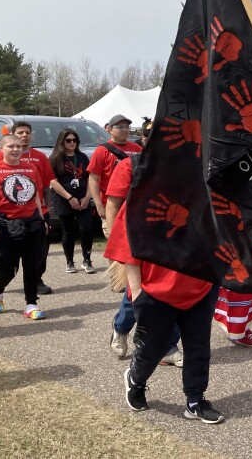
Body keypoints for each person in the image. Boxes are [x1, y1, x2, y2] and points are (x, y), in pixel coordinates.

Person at [104, 180, 221, 424]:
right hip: (156, 288)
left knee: (198, 348)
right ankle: (135, 379)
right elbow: (128, 244)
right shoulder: (144, 192)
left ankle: (195, 400)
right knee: (152, 347)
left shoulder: (208, 189)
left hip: (201, 285)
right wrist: (137, 291)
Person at [104, 136, 182, 367]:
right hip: (137, 239)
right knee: (136, 293)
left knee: (174, 293)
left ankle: (168, 346)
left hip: (174, 239)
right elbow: (114, 203)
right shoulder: (131, 164)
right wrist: (117, 242)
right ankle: (120, 327)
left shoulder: (185, 163)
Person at [0, 135, 48, 320]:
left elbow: (36, 196)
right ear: (1, 149)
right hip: (6, 224)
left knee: (32, 265)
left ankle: (31, 304)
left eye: (19, 146)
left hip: (31, 222)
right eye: (11, 146)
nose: (16, 149)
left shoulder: (31, 168)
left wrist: (42, 219)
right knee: (8, 268)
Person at [0, 122, 56, 295]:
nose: (24, 136)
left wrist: (45, 211)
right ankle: (0, 281)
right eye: (20, 133)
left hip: (34, 215)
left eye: (27, 133)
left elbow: (44, 187)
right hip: (7, 219)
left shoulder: (38, 160)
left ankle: (33, 294)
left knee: (36, 258)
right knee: (9, 262)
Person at [88, 114, 142, 238]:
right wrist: (99, 205)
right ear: (110, 129)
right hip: (111, 205)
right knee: (114, 241)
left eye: (127, 127)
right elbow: (93, 179)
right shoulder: (102, 151)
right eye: (120, 127)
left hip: (132, 205)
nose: (124, 130)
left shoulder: (138, 149)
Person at [48, 129, 94, 273]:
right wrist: (70, 198)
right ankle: (69, 261)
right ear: (62, 141)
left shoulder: (82, 157)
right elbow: (53, 182)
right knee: (68, 231)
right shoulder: (55, 159)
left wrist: (87, 197)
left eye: (74, 140)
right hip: (63, 199)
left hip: (82, 198)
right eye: (68, 140)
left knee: (86, 228)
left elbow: (90, 179)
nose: (72, 143)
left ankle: (87, 259)